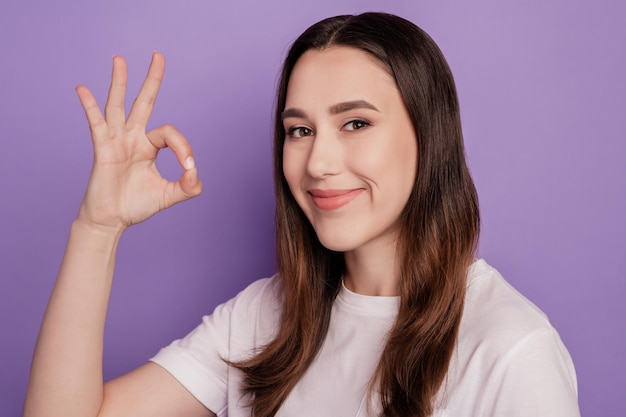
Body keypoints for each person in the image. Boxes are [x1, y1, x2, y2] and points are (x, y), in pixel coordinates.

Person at [23, 12, 580, 417]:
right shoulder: (265, 317)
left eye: (356, 123)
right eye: (300, 130)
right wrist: (97, 228)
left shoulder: (510, 350)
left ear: (429, 136)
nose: (318, 162)